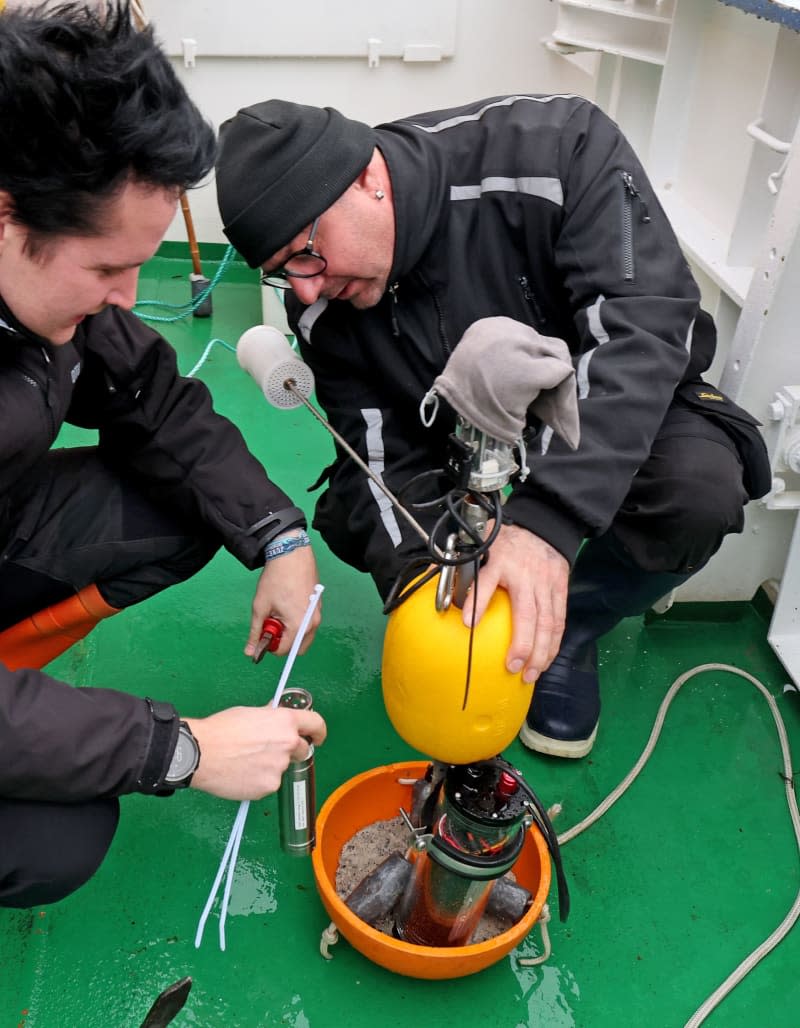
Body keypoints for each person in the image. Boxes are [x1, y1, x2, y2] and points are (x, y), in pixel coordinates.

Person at [215, 94, 768, 762]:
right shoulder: (323, 304)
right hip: (454, 422)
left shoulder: (558, 148)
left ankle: (569, 629)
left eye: (306, 255)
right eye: (280, 276)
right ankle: (496, 619)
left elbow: (642, 326)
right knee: (359, 506)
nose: (303, 292)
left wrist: (546, 525)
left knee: (697, 491)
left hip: (607, 393)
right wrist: (431, 591)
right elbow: (378, 456)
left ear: (367, 179)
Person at [0, 3, 325, 910]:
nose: (127, 296)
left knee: (187, 506)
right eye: (106, 271)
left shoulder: (41, 291)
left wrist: (278, 539)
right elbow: (169, 754)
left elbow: (157, 402)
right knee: (55, 836)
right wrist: (180, 748)